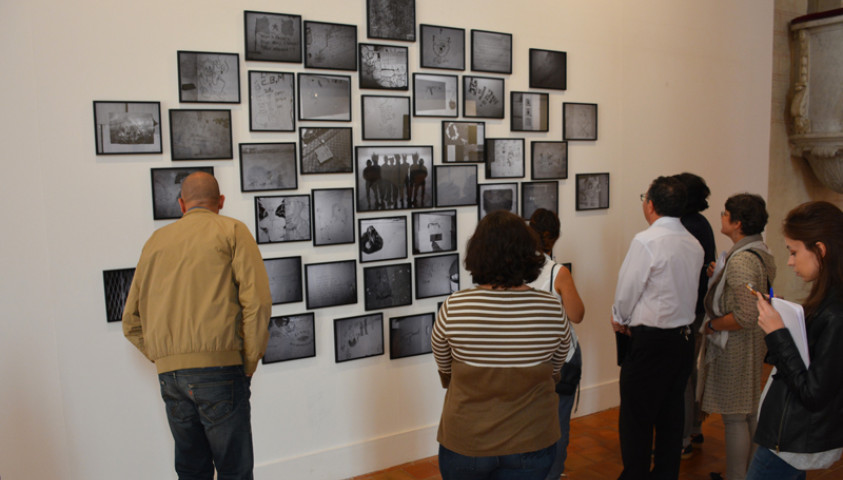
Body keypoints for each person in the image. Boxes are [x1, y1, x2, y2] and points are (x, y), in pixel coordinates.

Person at [122, 171, 272, 480]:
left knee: (191, 471)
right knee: (235, 472)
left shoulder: (156, 241)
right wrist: (249, 360)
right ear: (221, 202)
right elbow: (256, 303)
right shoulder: (232, 230)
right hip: (221, 370)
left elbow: (130, 320)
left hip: (171, 377)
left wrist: (164, 356)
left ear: (181, 204)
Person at [432, 210, 572, 480]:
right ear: (529, 254)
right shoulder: (551, 307)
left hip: (467, 439)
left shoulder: (455, 306)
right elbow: (558, 363)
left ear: (478, 254)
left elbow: (444, 364)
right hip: (531, 438)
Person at [611, 175, 704, 480]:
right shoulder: (693, 243)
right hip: (683, 339)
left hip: (650, 342)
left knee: (637, 418)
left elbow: (627, 291)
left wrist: (620, 319)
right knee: (671, 414)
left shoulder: (646, 241)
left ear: (650, 204)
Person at [746, 201, 843, 479]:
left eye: (794, 252)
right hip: (791, 435)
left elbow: (814, 393)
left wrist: (778, 334)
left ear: (821, 250)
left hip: (794, 439)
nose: (790, 261)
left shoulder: (836, 312)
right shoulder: (827, 299)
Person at [701, 194, 776, 480]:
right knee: (748, 411)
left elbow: (745, 315)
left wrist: (713, 325)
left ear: (737, 223)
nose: (721, 216)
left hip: (736, 344)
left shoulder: (742, 259)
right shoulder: (758, 250)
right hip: (751, 342)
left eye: (725, 213)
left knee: (735, 417)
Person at [527, 208, 585, 480]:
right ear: (556, 236)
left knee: (527, 424)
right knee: (558, 423)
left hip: (527, 359)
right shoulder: (557, 272)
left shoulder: (512, 269)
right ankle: (553, 474)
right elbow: (577, 315)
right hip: (561, 356)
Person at [675, 173, 717, 459]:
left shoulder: (686, 227)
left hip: (687, 309)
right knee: (690, 369)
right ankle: (693, 427)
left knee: (682, 373)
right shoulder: (700, 223)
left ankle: (682, 438)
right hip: (698, 307)